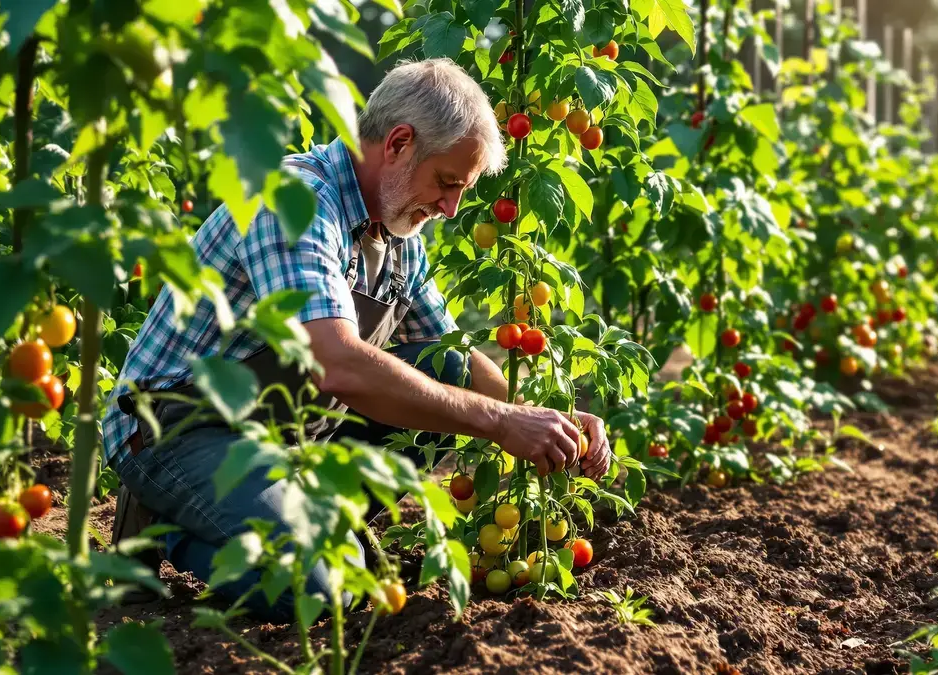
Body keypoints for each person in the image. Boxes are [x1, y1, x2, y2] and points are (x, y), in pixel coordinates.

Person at [102, 58, 612, 622]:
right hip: (179, 428)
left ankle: (297, 522)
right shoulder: (294, 201)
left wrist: (547, 419)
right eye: (447, 183)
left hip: (278, 435)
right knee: (317, 591)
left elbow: (453, 357)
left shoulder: (396, 234)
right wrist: (498, 422)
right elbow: (336, 364)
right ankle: (166, 523)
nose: (449, 209)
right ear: (398, 143)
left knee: (446, 372)